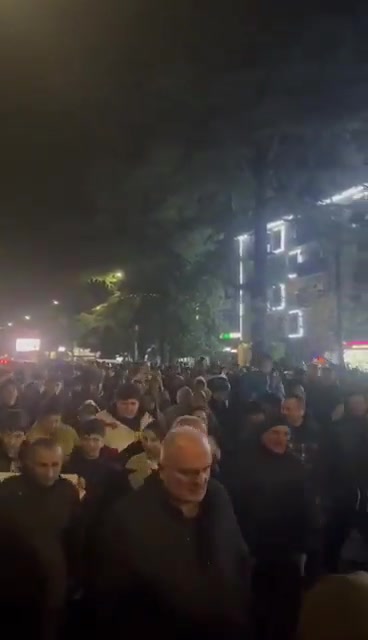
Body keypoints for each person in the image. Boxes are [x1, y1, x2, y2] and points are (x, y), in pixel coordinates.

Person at [93, 427, 249, 639]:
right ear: (162, 469)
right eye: (187, 472)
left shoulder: (218, 497)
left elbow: (238, 560)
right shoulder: (128, 519)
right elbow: (115, 603)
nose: (200, 480)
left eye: (206, 469)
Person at [228, 416, 319, 640]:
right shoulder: (244, 465)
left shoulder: (295, 464)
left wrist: (309, 545)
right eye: (275, 433)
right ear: (262, 435)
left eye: (286, 434)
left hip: (288, 551)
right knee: (257, 608)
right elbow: (236, 506)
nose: (281, 439)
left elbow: (307, 508)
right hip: (255, 551)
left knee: (286, 608)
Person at [0, 439, 81, 633]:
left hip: (53, 585)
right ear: (28, 463)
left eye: (55, 465)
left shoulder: (67, 492)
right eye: (43, 465)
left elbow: (76, 538)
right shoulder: (8, 491)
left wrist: (74, 579)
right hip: (13, 587)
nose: (50, 472)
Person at [97, 382, 153, 452]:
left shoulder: (149, 421)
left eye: (133, 403)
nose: (128, 408)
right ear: (116, 402)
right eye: (124, 403)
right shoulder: (101, 420)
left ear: (139, 403)